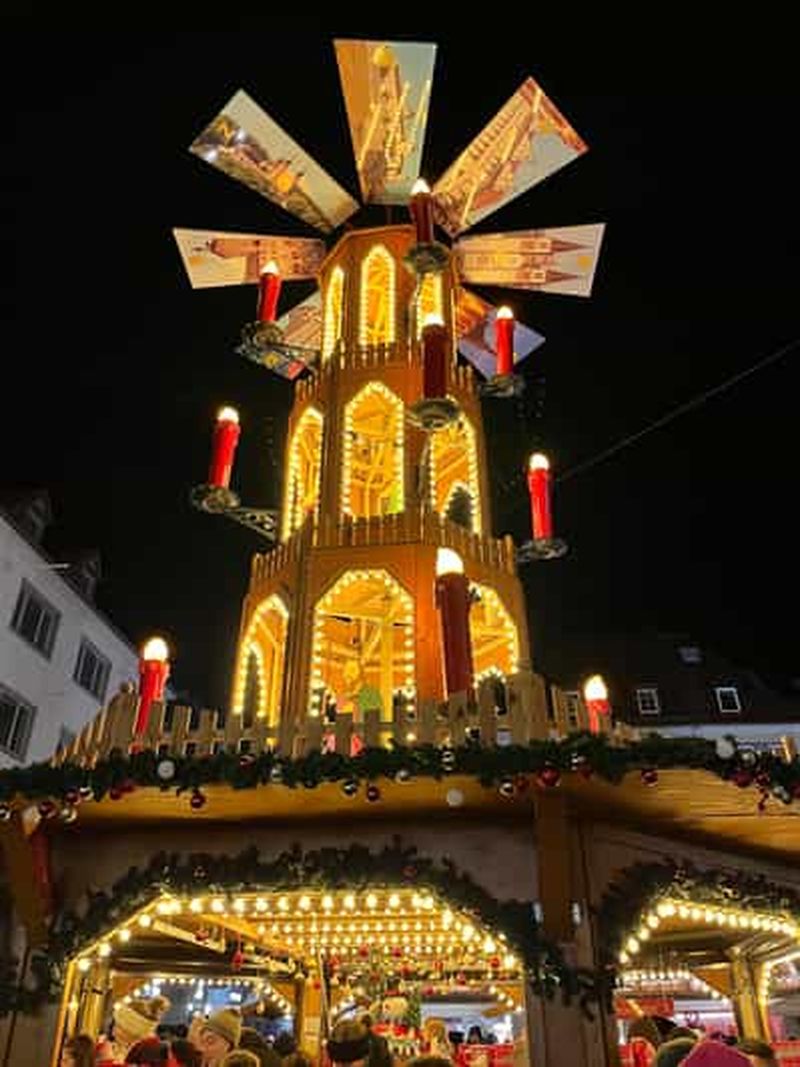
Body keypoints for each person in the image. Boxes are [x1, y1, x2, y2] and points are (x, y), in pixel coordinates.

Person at [97, 996, 171, 1065]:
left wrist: (107, 1062)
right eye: (116, 1025)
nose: (113, 1031)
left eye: (120, 1028)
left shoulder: (149, 1052)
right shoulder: (112, 1046)